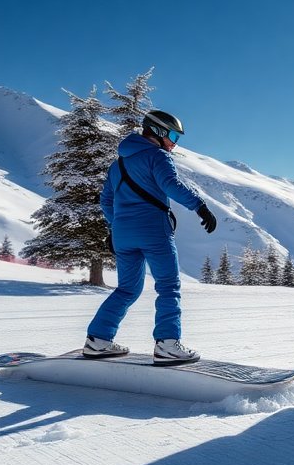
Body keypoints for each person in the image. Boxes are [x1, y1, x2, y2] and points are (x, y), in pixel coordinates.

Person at [84, 110, 217, 365]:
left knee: (126, 289)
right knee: (168, 286)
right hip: (153, 230)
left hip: (123, 234)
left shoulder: (118, 164)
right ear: (158, 130)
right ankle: (168, 344)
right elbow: (171, 186)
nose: (175, 142)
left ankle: (98, 340)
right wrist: (200, 205)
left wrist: (115, 227)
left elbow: (106, 200)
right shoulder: (157, 156)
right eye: (174, 135)